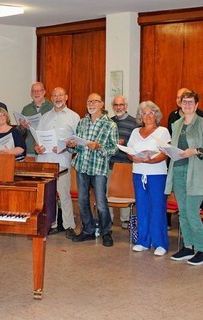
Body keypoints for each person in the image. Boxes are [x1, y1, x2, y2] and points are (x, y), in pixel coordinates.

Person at [164, 90, 203, 265]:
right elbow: (176, 144)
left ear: (196, 105)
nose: (187, 105)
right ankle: (188, 246)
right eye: (184, 102)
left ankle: (202, 250)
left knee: (192, 212)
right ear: (180, 103)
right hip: (178, 169)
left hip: (195, 171)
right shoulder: (177, 123)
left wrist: (195, 150)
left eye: (190, 102)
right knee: (183, 212)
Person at [67, 93, 119, 247]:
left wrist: (99, 147)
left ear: (102, 104)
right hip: (82, 165)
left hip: (98, 167)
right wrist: (72, 146)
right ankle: (88, 230)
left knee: (101, 203)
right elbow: (76, 144)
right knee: (82, 201)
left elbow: (114, 149)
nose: (90, 104)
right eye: (88, 101)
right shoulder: (82, 123)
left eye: (94, 101)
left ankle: (106, 232)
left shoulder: (110, 125)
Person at [34, 87, 80, 238]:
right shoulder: (45, 117)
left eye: (60, 95)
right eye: (54, 95)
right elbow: (38, 138)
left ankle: (68, 225)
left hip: (62, 161)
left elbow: (77, 142)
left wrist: (65, 147)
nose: (57, 98)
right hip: (45, 161)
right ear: (51, 98)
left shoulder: (74, 117)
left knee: (64, 194)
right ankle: (51, 224)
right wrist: (37, 148)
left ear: (66, 97)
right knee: (48, 195)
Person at [126, 101, 170, 256]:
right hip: (138, 173)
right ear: (140, 116)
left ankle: (160, 243)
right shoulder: (135, 132)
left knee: (157, 208)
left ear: (156, 115)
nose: (148, 116)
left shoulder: (163, 131)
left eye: (151, 113)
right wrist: (133, 157)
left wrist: (152, 159)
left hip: (157, 174)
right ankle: (143, 241)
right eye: (144, 113)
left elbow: (165, 153)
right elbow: (129, 151)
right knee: (142, 207)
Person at [109, 95, 139, 229]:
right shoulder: (109, 122)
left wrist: (124, 143)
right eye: (116, 105)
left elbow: (137, 144)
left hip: (127, 164)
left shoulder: (135, 123)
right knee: (108, 191)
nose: (118, 107)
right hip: (111, 164)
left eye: (121, 105)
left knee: (125, 193)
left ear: (126, 106)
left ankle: (125, 220)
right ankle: (108, 219)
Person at [18, 82, 53, 156]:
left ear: (44, 92)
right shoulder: (26, 109)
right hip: (30, 149)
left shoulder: (52, 107)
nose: (36, 93)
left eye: (39, 90)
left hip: (48, 150)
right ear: (31, 93)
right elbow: (20, 133)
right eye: (33, 91)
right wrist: (22, 127)